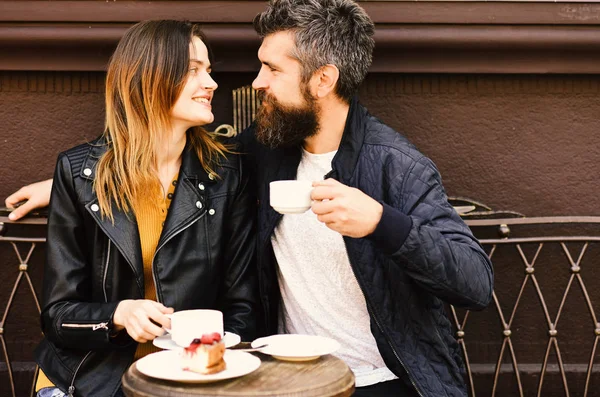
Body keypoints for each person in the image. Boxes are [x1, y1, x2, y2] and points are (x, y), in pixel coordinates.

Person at [6, 1, 493, 396]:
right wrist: (77, 185)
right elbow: (158, 163)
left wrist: (381, 222)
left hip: (385, 378)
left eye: (270, 69)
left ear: (322, 80)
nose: (251, 82)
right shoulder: (263, 152)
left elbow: (474, 283)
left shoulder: (396, 168)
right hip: (285, 374)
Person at [30, 20, 257, 397]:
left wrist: (208, 365)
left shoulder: (227, 174)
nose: (212, 83)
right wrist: (116, 315)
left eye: (209, 70)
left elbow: (243, 307)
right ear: (150, 79)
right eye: (193, 70)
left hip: (188, 377)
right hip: (88, 377)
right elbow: (57, 315)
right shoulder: (78, 173)